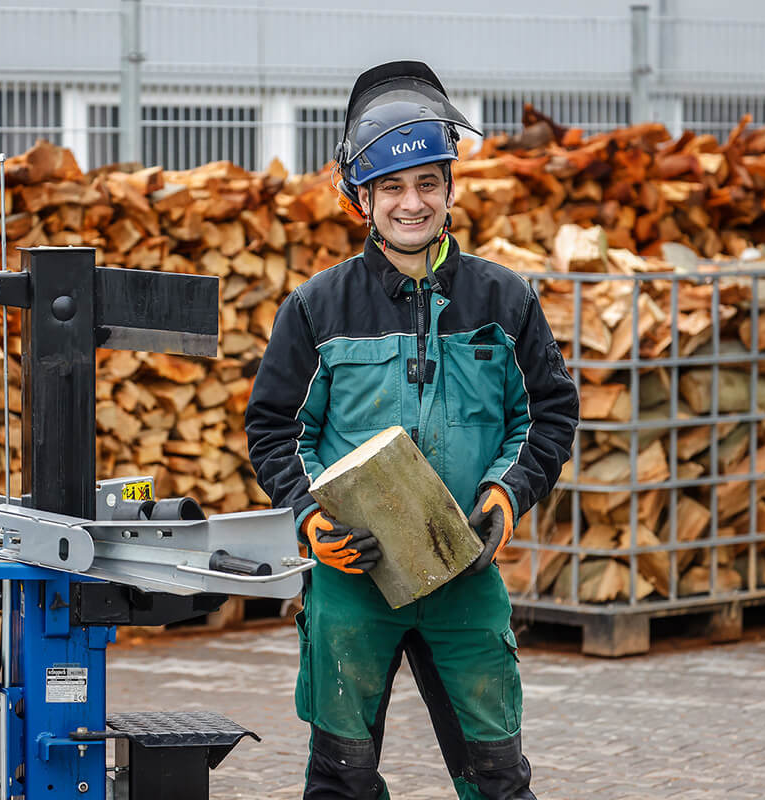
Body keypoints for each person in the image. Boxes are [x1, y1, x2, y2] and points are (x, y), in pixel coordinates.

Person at [245, 60, 579, 800]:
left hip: (465, 573)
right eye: (392, 186)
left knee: (498, 779)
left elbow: (549, 414)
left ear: (451, 190)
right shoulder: (315, 309)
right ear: (361, 197)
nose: (411, 202)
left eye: (428, 182)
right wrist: (309, 517)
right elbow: (273, 429)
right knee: (342, 777)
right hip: (352, 579)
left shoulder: (504, 299)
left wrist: (505, 497)